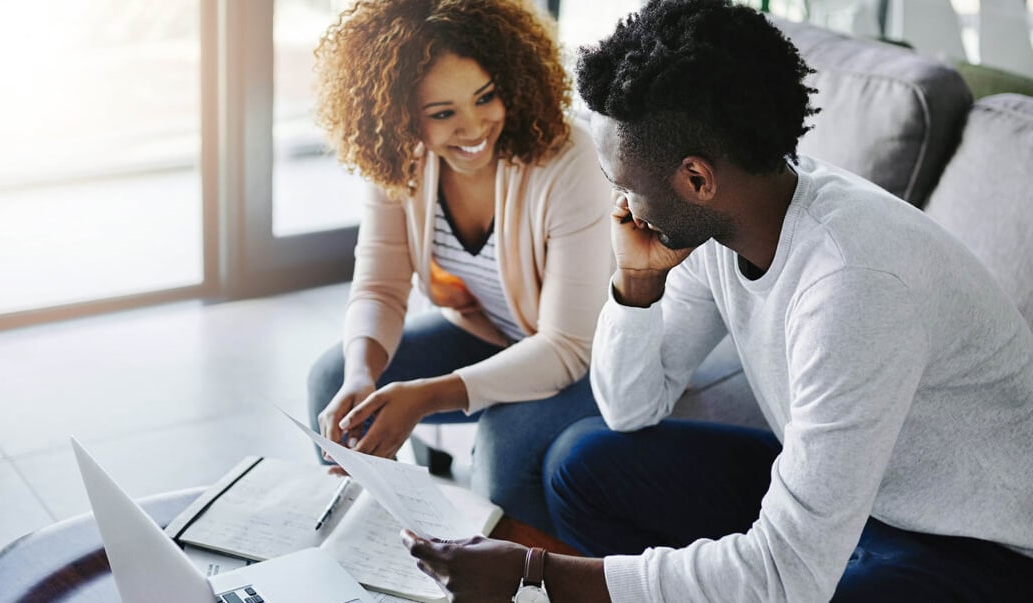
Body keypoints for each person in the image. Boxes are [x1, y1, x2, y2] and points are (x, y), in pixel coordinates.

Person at [402, 0, 1033, 601]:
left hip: (970, 544)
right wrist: (636, 283)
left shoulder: (853, 285)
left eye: (622, 184)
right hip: (859, 498)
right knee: (584, 463)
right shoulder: (728, 218)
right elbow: (629, 408)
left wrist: (534, 575)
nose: (618, 208)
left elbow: (788, 578)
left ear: (697, 178)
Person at [305, 0, 612, 533]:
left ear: (512, 80)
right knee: (333, 376)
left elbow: (567, 347)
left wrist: (426, 396)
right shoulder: (401, 159)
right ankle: (369, 549)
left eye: (485, 97)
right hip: (498, 336)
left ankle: (503, 581)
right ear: (401, 116)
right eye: (442, 113)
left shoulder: (569, 158)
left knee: (504, 440)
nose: (473, 128)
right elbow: (379, 286)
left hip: (597, 359)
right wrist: (362, 373)